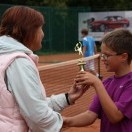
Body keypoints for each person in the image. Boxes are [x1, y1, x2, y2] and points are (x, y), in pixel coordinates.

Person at [0, 6, 89, 132]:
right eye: (40, 28)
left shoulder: (4, 56)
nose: (43, 34)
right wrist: (61, 123)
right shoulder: (19, 62)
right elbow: (37, 115)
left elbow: (19, 106)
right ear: (28, 30)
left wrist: (67, 98)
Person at [63, 28, 132, 132]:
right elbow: (91, 114)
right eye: (102, 54)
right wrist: (65, 121)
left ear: (123, 57)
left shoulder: (129, 84)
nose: (103, 58)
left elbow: (115, 116)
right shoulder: (106, 83)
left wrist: (97, 83)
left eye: (107, 55)